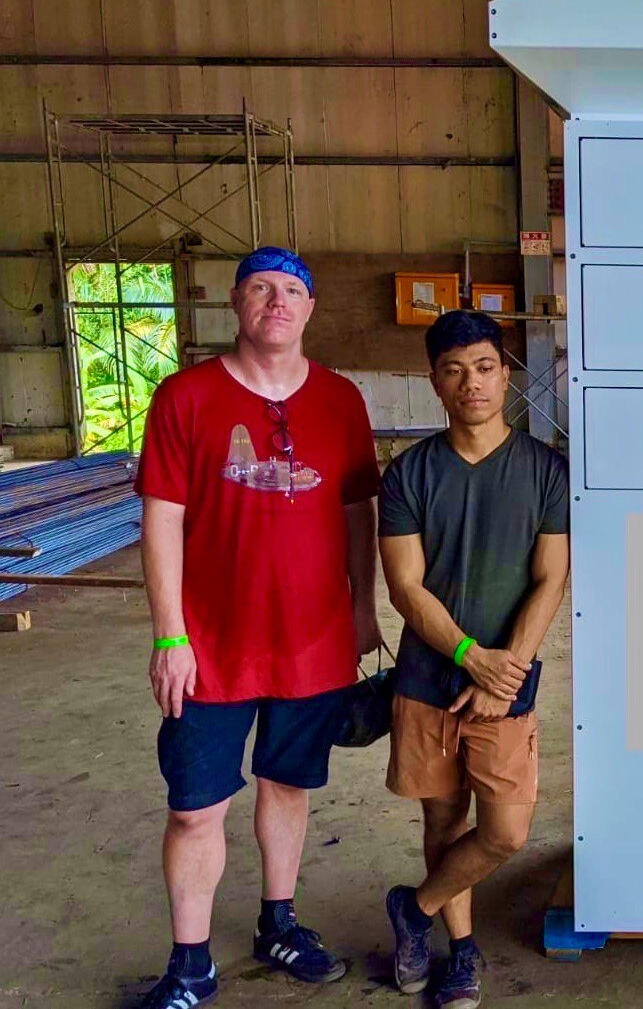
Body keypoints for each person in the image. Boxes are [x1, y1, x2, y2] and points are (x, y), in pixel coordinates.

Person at [135, 246, 382, 1008]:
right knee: (194, 805)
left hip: (313, 641)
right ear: (237, 304)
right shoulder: (186, 397)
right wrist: (171, 635)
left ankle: (279, 921)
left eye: (291, 290)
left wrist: (365, 610)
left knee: (288, 782)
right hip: (211, 647)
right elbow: (161, 520)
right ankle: (189, 962)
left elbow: (357, 514)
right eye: (260, 289)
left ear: (310, 309)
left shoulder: (342, 400)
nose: (277, 301)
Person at [379, 310, 569, 1008]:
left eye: (485, 367)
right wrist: (468, 655)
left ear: (506, 374)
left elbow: (552, 575)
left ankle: (415, 906)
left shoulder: (547, 470)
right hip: (429, 680)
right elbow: (404, 585)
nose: (473, 383)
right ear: (435, 381)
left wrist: (506, 669)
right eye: (454, 370)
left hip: (506, 689)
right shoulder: (409, 474)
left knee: (506, 830)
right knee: (441, 820)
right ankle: (460, 951)